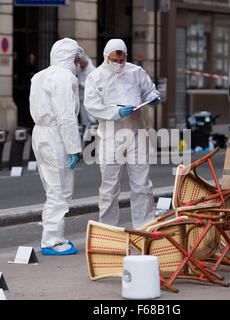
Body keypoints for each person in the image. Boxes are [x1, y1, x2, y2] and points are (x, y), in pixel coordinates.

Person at [84, 39, 160, 229]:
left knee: (142, 184)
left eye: (122, 60)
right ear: (106, 57)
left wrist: (152, 98)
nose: (119, 64)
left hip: (136, 133)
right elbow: (92, 106)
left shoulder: (135, 72)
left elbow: (150, 90)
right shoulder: (96, 77)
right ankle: (108, 230)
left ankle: (144, 227)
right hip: (111, 134)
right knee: (109, 187)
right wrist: (116, 113)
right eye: (115, 60)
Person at [29, 38, 84, 255]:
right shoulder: (65, 78)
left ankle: (54, 236)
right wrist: (74, 148)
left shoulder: (39, 76)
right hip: (56, 136)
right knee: (59, 191)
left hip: (40, 133)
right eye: (77, 59)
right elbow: (65, 116)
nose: (79, 64)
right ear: (71, 58)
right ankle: (52, 241)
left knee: (52, 187)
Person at [77, 55, 97, 136]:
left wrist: (81, 84)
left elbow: (93, 84)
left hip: (89, 97)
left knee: (90, 116)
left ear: (85, 62)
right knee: (83, 116)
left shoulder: (92, 70)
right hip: (81, 96)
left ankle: (92, 132)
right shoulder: (80, 69)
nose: (81, 65)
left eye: (82, 63)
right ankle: (86, 132)